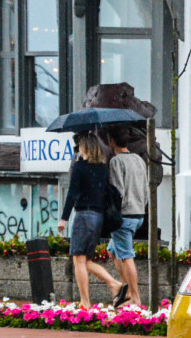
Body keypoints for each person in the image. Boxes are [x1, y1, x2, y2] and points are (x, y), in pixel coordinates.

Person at [56, 132, 126, 309]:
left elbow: (72, 194)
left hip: (84, 215)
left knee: (78, 260)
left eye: (80, 145)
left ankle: (85, 302)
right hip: (98, 217)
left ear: (84, 147)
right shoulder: (102, 168)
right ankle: (114, 284)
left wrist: (63, 219)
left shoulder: (80, 167)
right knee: (85, 260)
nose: (78, 148)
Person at [105, 125, 149, 307]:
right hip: (139, 213)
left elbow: (118, 191)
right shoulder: (138, 159)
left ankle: (135, 297)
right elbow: (146, 189)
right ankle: (128, 290)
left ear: (111, 141)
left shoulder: (116, 162)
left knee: (126, 256)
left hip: (124, 215)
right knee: (113, 251)